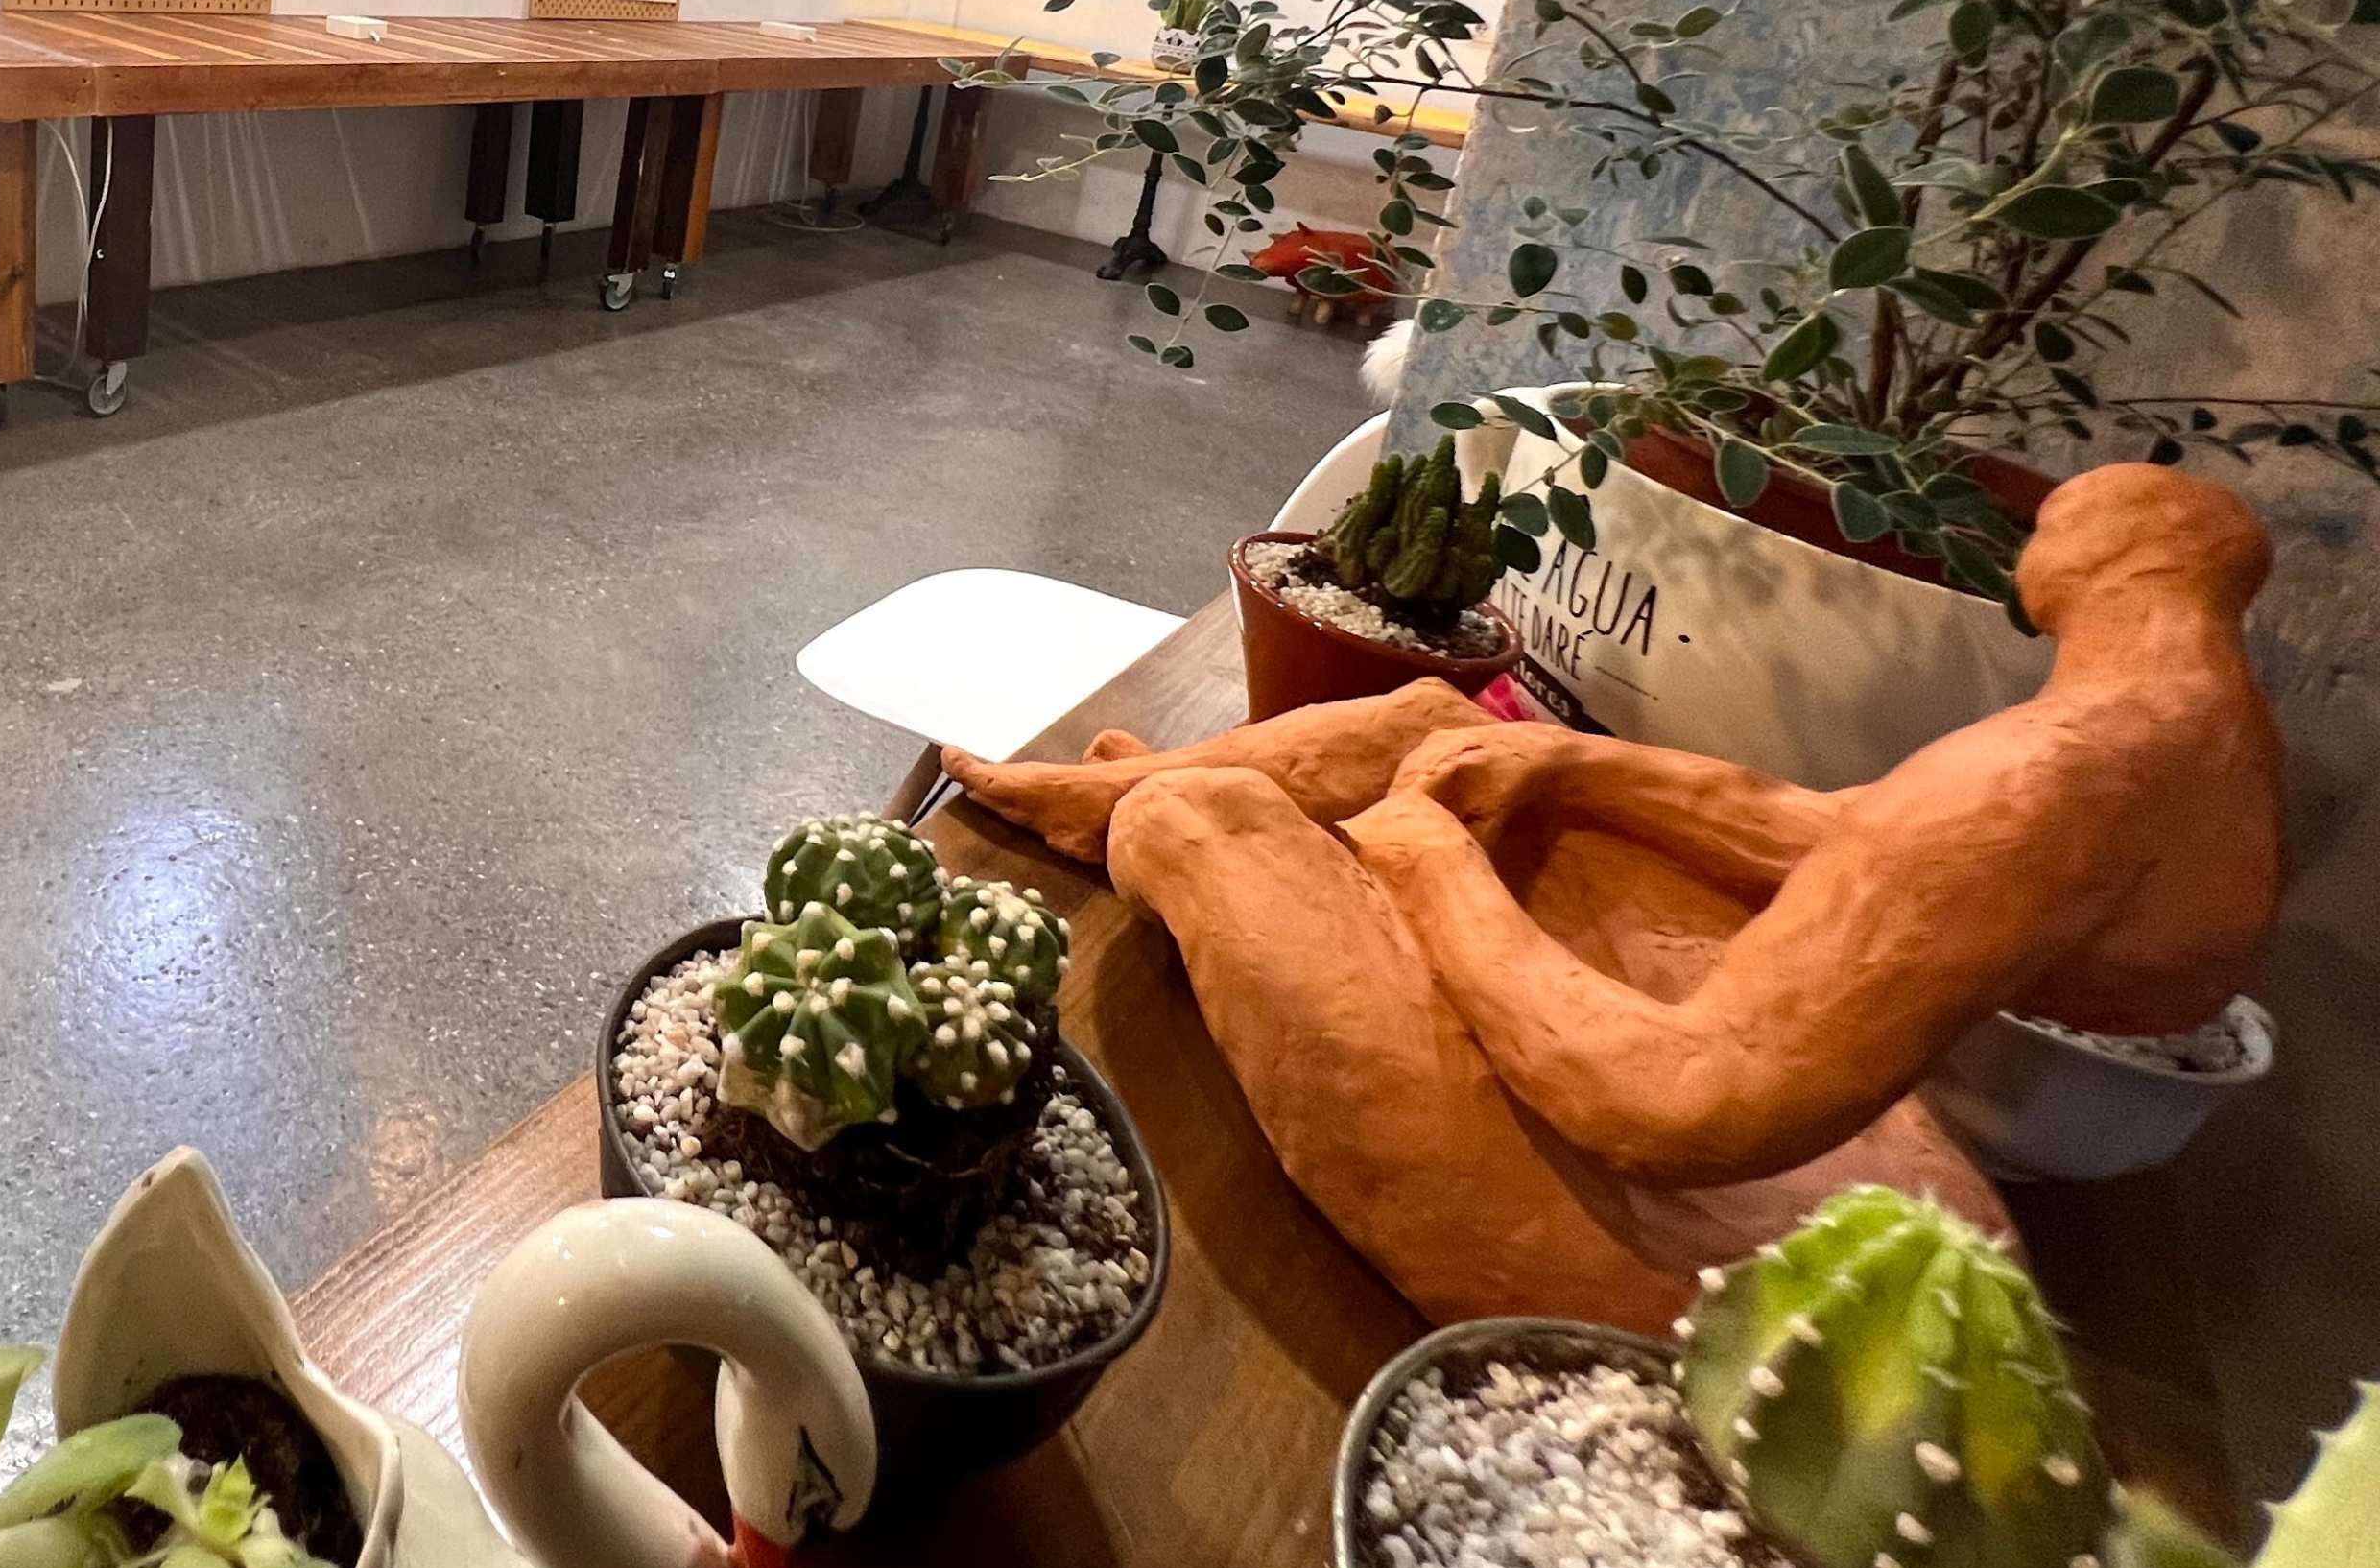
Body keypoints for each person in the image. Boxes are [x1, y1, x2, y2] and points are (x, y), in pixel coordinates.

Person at [939, 464, 2283, 1329]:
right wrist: (1580, 767)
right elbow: (1857, 846)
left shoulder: (2055, 776)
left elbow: (1683, 1097)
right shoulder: (2189, 737)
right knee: (1431, 721)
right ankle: (1106, 791)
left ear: (2092, 565)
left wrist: (1432, 868)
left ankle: (1142, 800)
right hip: (1794, 1126)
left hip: (1712, 1244)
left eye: (2050, 527)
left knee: (1204, 820)